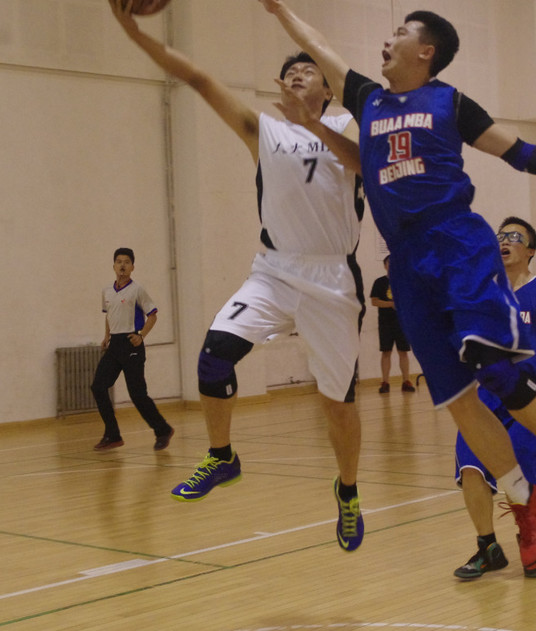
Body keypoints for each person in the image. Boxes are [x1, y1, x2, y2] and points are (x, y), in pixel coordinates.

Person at [260, 0, 536, 574]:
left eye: (400, 32)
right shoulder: (368, 99)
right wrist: (278, 10)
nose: (387, 39)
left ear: (426, 51)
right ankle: (525, 504)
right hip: (406, 263)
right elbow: (319, 46)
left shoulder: (450, 103)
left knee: (494, 367)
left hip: (457, 243)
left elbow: (522, 153)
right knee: (458, 401)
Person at [108, 0, 367, 551]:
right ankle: (222, 457)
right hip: (274, 270)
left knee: (337, 404)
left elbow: (365, 165)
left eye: (310, 70)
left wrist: (313, 120)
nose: (299, 75)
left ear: (328, 87)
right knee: (214, 357)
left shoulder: (348, 124)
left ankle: (347, 490)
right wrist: (132, 33)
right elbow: (197, 77)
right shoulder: (263, 130)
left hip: (333, 280)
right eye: (291, 71)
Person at [454, 217, 536, 579]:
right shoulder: (484, 290)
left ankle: (532, 540)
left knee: (523, 479)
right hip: (486, 396)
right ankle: (487, 548)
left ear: (531, 250)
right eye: (500, 236)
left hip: (530, 396)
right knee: (471, 468)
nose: (504, 241)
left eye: (514, 236)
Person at [92, 247, 175, 451]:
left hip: (132, 344)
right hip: (115, 345)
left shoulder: (137, 290)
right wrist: (106, 336)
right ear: (113, 266)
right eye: (119, 261)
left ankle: (162, 430)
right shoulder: (107, 291)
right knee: (98, 386)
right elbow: (109, 315)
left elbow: (153, 315)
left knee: (137, 394)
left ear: (132, 267)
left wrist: (141, 335)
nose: (122, 265)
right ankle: (113, 435)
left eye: (127, 262)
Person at [370, 255, 415, 394]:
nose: (392, 265)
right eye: (389, 263)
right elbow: (374, 301)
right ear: (385, 266)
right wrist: (390, 304)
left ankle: (406, 381)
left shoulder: (404, 281)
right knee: (386, 352)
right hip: (385, 323)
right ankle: (385, 382)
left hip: (402, 322)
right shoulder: (379, 282)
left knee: (403, 352)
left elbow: (410, 299)